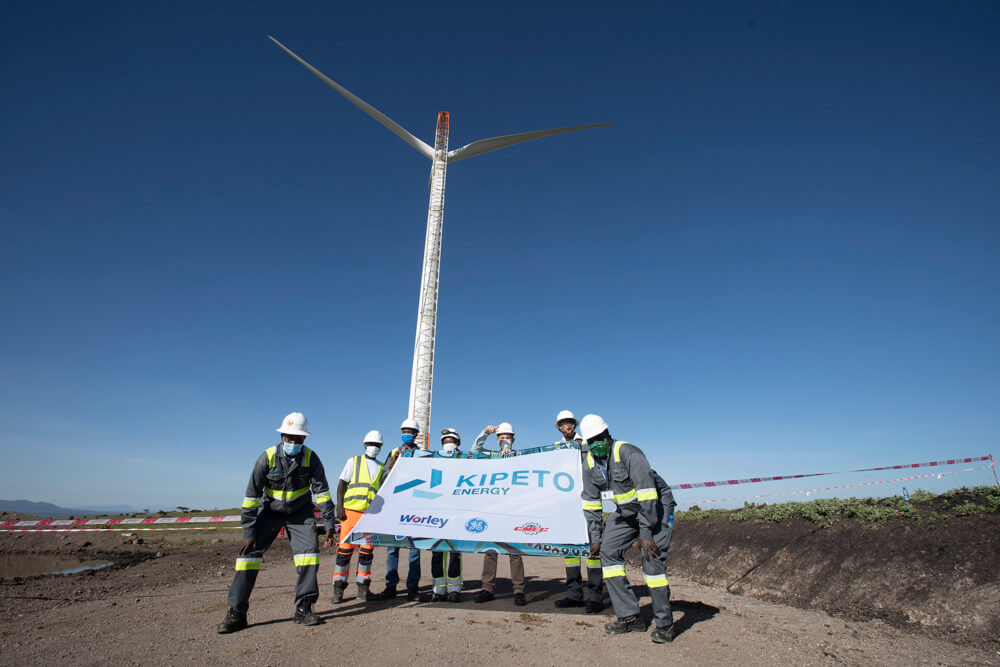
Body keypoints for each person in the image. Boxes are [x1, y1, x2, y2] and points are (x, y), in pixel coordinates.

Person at [216, 412, 336, 633]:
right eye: (288, 437)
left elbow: (322, 493)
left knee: (309, 554)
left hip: (300, 513)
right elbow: (251, 496)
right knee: (247, 557)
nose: (292, 442)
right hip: (270, 511)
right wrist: (249, 531)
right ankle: (236, 613)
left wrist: (330, 524)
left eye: (297, 439)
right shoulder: (267, 457)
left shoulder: (311, 458)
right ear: (282, 435)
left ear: (304, 440)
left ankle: (304, 609)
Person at [579, 414, 677, 643]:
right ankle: (630, 617)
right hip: (626, 512)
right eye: (591, 441)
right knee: (608, 551)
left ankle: (664, 624)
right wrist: (596, 538)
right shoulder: (590, 464)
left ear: (608, 435)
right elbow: (591, 504)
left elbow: (648, 496)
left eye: (599, 438)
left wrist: (645, 534)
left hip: (656, 508)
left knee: (652, 560)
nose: (596, 443)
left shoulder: (628, 452)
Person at [550, 410, 604, 614]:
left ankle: (596, 598)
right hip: (567, 507)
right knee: (571, 553)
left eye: (570, 423)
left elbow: (597, 468)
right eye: (563, 424)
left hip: (588, 502)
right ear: (559, 427)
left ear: (574, 425)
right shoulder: (555, 448)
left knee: (593, 549)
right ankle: (574, 595)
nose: (567, 426)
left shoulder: (587, 443)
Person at [471, 423, 527, 606]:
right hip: (493, 509)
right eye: (501, 437)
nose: (504, 440)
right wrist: (484, 433)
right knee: (490, 550)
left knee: (514, 552)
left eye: (508, 437)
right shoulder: (490, 455)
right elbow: (474, 451)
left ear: (513, 439)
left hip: (513, 510)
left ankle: (519, 590)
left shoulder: (521, 456)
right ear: (497, 440)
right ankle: (487, 588)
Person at [331, 430, 385, 603]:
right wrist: (339, 506)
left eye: (377, 445)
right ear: (364, 445)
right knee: (344, 551)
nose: (374, 447)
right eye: (371, 444)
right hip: (351, 513)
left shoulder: (381, 467)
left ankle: (363, 588)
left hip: (370, 516)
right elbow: (342, 484)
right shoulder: (353, 461)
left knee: (366, 553)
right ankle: (338, 589)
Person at [378, 418, 423, 601]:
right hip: (395, 506)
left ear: (416, 435)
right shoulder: (393, 452)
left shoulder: (422, 454)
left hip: (413, 506)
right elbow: (384, 478)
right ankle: (391, 586)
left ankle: (413, 587)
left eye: (410, 431)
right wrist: (394, 462)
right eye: (404, 430)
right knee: (392, 549)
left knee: (414, 549)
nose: (407, 433)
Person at [425, 428, 464, 602]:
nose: (448, 443)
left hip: (456, 514)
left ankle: (455, 589)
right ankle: (438, 590)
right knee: (437, 554)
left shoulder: (466, 460)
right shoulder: (434, 461)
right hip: (438, 513)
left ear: (458, 443)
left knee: (455, 553)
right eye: (445, 441)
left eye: (452, 440)